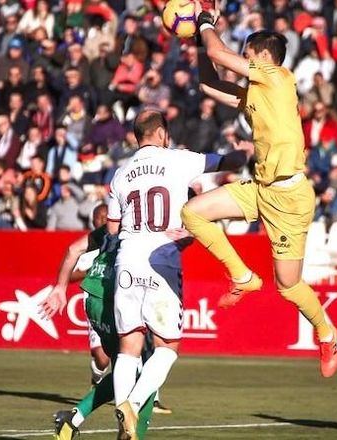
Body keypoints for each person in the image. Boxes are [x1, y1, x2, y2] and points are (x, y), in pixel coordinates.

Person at [182, 10, 337, 378]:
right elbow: (209, 84)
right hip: (260, 189)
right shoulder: (258, 93)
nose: (243, 56)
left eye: (247, 53)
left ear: (260, 55)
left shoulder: (277, 76)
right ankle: (242, 277)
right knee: (192, 212)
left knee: (288, 285)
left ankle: (327, 333)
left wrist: (205, 22)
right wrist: (198, 43)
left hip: (288, 197)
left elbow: (221, 56)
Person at [101, 110, 246, 439]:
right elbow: (226, 163)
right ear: (162, 133)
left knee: (129, 347)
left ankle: (123, 421)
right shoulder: (178, 160)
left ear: (137, 136)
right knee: (167, 345)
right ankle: (133, 406)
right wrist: (245, 151)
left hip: (127, 257)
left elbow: (111, 228)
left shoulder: (120, 174)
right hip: (161, 259)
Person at [42, 204, 157, 440]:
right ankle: (132, 436)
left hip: (93, 301)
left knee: (121, 373)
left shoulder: (107, 230)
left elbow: (73, 249)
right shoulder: (143, 230)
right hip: (115, 302)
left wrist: (60, 288)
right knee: (148, 374)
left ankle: (72, 419)